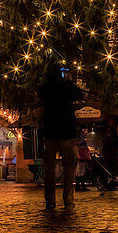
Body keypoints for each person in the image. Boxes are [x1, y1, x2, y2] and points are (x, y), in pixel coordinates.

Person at [38, 65, 84, 209]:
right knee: (69, 167)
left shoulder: (45, 89)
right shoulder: (66, 88)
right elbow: (78, 94)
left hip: (50, 133)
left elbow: (40, 94)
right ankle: (68, 199)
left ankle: (50, 200)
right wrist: (69, 81)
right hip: (66, 134)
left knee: (50, 170)